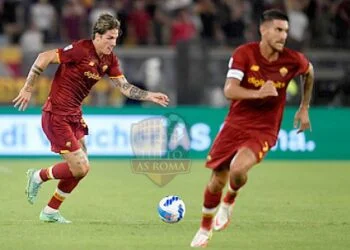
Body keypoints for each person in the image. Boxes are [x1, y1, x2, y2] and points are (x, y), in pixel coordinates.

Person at [13, 13, 169, 224]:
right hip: (56, 114)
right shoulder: (80, 49)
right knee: (80, 166)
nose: (113, 43)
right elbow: (44, 57)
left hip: (75, 115)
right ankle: (38, 176)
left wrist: (150, 95)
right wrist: (27, 88)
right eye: (109, 38)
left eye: (115, 38)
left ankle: (50, 211)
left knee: (81, 169)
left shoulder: (109, 60)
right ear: (97, 35)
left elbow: (124, 87)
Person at [190, 9, 314, 247]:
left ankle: (229, 200)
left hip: (264, 129)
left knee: (237, 170)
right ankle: (204, 228)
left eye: (286, 31)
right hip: (235, 124)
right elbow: (229, 90)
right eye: (278, 30)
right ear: (263, 30)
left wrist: (304, 107)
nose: (283, 36)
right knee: (217, 179)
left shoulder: (292, 59)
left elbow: (309, 72)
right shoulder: (244, 54)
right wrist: (259, 93)